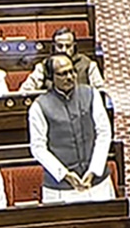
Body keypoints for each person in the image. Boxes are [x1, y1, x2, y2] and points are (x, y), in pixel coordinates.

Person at [28, 54, 114, 202]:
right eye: (62, 74)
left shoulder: (91, 94)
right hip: (60, 188)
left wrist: (94, 170)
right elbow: (38, 148)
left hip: (97, 182)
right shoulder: (39, 106)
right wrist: (65, 174)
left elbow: (104, 132)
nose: (69, 77)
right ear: (51, 77)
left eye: (72, 71)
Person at [20, 27, 105, 92]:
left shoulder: (88, 65)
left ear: (74, 46)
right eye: (60, 46)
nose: (64, 50)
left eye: (68, 46)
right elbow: (25, 92)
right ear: (54, 46)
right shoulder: (43, 67)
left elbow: (100, 92)